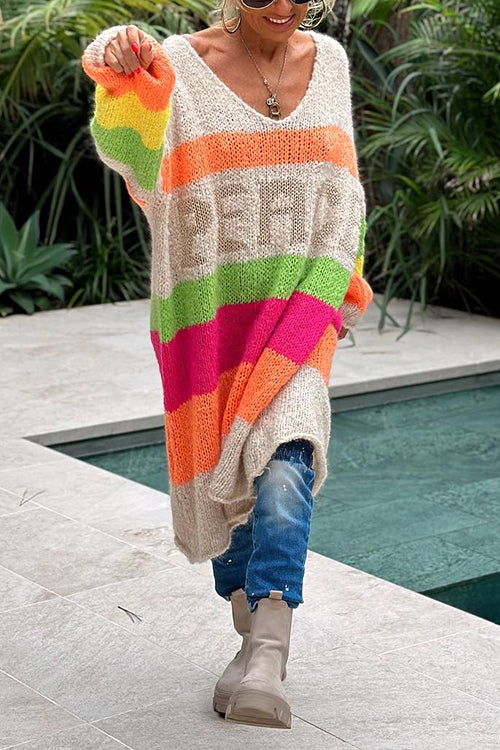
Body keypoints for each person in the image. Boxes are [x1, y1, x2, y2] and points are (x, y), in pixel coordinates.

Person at [82, 0, 373, 730]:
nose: (283, 5)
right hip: (211, 314)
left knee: (286, 459)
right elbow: (133, 156)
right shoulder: (182, 63)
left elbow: (343, 190)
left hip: (302, 303)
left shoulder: (330, 63)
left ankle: (269, 654)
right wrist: (120, 65)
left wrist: (345, 280)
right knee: (228, 474)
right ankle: (247, 637)